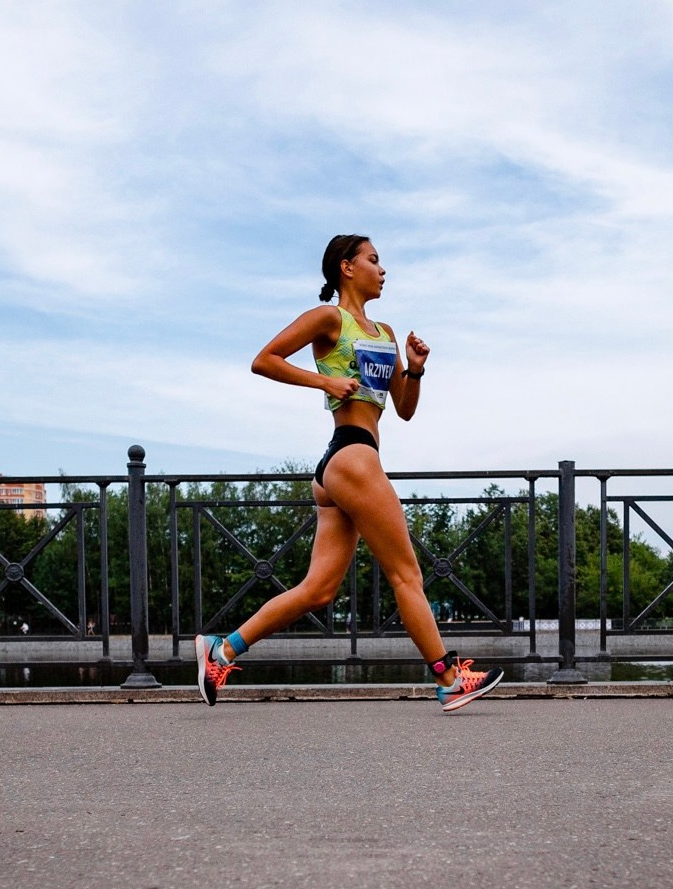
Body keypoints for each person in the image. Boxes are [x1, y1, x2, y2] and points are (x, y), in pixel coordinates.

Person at [195, 235, 503, 713]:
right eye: (374, 260)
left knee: (318, 591)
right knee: (406, 574)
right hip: (352, 454)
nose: (383, 270)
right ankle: (448, 678)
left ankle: (222, 649)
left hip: (344, 463)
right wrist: (326, 380)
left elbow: (403, 409)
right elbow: (264, 360)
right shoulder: (329, 319)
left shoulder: (385, 332)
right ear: (347, 267)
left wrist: (415, 370)